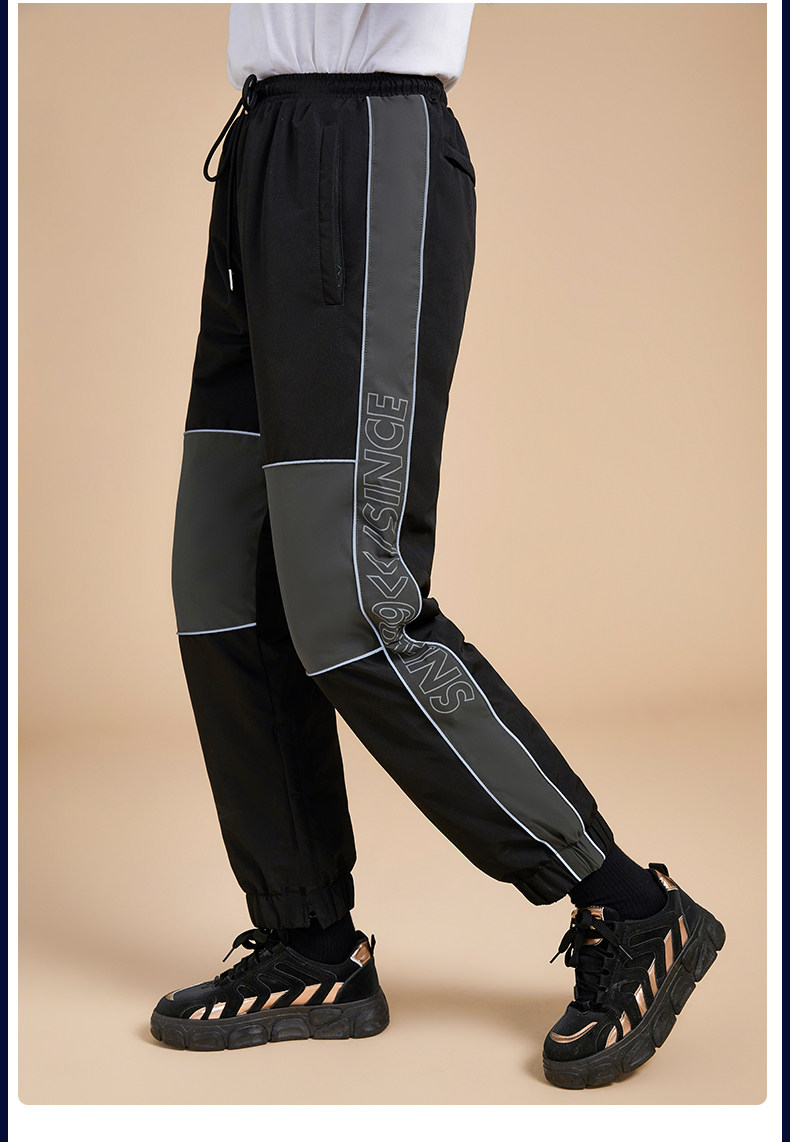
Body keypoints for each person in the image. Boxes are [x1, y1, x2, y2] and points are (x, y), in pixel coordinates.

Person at [150, 2, 725, 1089]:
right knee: (227, 583)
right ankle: (309, 939)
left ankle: (630, 905)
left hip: (363, 155)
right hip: (266, 148)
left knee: (355, 599)